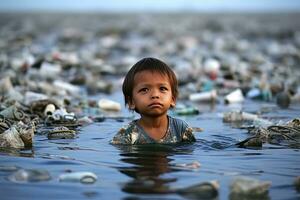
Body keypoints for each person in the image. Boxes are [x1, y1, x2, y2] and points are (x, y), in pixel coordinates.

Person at [110, 57, 195, 145]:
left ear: (172, 99)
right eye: (144, 90)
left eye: (162, 88)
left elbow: (190, 152)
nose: (155, 95)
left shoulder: (180, 128)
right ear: (131, 101)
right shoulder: (128, 133)